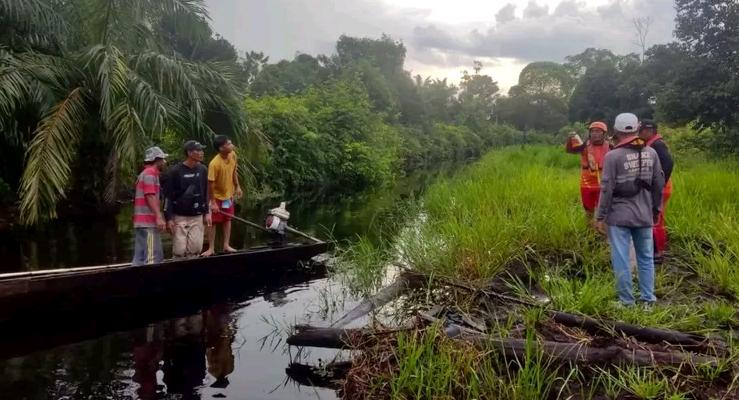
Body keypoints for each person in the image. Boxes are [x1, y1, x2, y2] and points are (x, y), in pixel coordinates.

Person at [595, 113, 665, 306]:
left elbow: (607, 188)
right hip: (644, 215)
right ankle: (648, 300)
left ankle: (626, 302)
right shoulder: (651, 153)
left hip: (619, 217)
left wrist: (600, 216)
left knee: (621, 258)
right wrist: (656, 209)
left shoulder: (613, 156)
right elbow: (659, 183)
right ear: (637, 129)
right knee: (646, 258)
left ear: (616, 131)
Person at [163, 140, 211, 258]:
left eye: (202, 150)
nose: (201, 153)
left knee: (195, 248)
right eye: (198, 150)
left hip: (197, 215)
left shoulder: (203, 169)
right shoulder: (175, 171)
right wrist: (168, 218)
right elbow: (167, 197)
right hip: (179, 215)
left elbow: (206, 192)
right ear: (189, 153)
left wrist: (207, 212)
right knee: (179, 250)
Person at [639, 120, 674, 262]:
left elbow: (669, 163)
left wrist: (659, 184)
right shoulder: (653, 143)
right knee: (656, 219)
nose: (639, 134)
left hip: (660, 189)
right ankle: (657, 250)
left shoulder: (657, 144)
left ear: (648, 130)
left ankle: (658, 252)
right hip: (660, 187)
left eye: (640, 131)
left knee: (656, 220)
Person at [202, 135, 242, 256]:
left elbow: (234, 172)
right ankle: (211, 247)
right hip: (216, 196)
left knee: (227, 219)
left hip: (227, 195)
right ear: (221, 148)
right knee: (213, 222)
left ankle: (226, 244)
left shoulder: (233, 155)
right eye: (229, 144)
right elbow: (210, 184)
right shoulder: (214, 163)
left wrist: (237, 186)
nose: (231, 145)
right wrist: (213, 202)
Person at [566, 121, 611, 225]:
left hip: (604, 183)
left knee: (604, 210)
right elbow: (570, 150)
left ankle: (603, 232)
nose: (595, 133)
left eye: (598, 131)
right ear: (589, 133)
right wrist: (570, 139)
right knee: (588, 210)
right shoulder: (583, 145)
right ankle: (589, 233)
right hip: (587, 183)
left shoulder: (611, 146)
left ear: (604, 133)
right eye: (593, 131)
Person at [132, 146, 168, 266]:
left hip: (141, 222)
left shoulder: (144, 173)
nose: (165, 162)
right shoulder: (150, 173)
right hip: (148, 222)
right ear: (157, 160)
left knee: (140, 258)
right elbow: (150, 195)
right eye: (163, 159)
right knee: (153, 257)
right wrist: (158, 216)